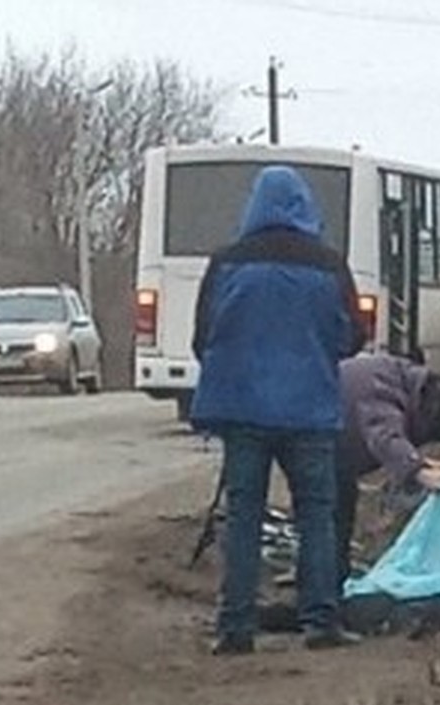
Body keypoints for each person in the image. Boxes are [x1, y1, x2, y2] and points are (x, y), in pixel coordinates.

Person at [191, 165, 365, 656]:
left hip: (243, 409)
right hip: (308, 409)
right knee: (316, 513)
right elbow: (352, 336)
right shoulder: (328, 265)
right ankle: (321, 620)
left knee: (243, 514)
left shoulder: (226, 262)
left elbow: (203, 336)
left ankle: (235, 627)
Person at [335, 353, 440, 589]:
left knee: (335, 512)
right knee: (329, 518)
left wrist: (418, 460)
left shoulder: (396, 376)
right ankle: (321, 598)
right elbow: (384, 436)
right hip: (314, 443)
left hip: (327, 442)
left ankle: (327, 588)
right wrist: (417, 469)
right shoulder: (381, 392)